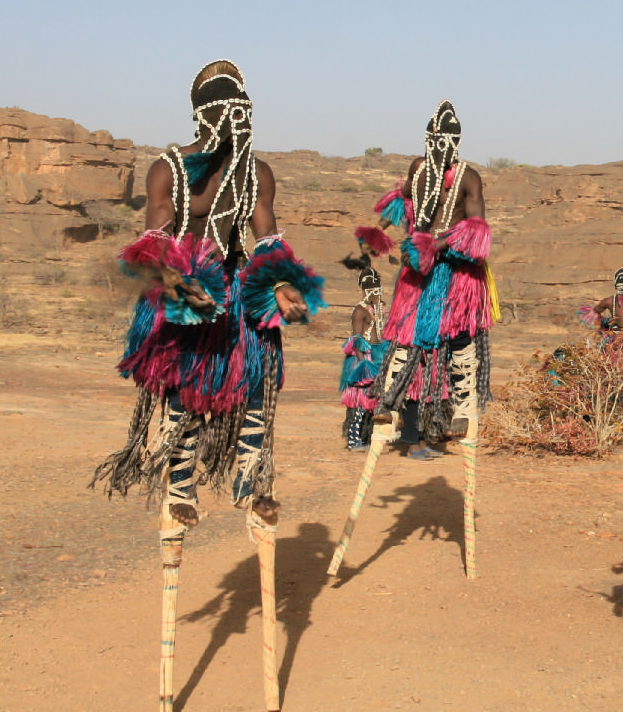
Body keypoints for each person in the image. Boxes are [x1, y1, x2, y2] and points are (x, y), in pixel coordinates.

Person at [91, 59, 323, 530]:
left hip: (237, 291)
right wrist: (179, 284)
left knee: (257, 384)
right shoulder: (168, 170)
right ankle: (181, 488)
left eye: (246, 114)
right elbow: (153, 243)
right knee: (188, 393)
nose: (241, 124)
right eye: (230, 115)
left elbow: (266, 235)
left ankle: (253, 480)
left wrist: (280, 284)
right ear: (205, 116)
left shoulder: (255, 172)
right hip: (185, 291)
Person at [354, 100, 493, 459]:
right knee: (406, 336)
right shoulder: (418, 169)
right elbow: (400, 201)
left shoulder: (469, 178)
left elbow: (476, 230)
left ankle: (463, 409)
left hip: (456, 274)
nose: (440, 150)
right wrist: (378, 232)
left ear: (456, 144)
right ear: (428, 141)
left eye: (447, 144)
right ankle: (389, 401)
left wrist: (438, 243)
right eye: (435, 142)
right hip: (418, 271)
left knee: (460, 339)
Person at [339, 264, 389, 450]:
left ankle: (366, 437)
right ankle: (353, 440)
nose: (377, 294)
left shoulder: (379, 308)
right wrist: (363, 364)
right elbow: (357, 338)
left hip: (376, 357)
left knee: (372, 402)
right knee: (359, 402)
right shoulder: (359, 311)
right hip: (362, 359)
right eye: (373, 290)